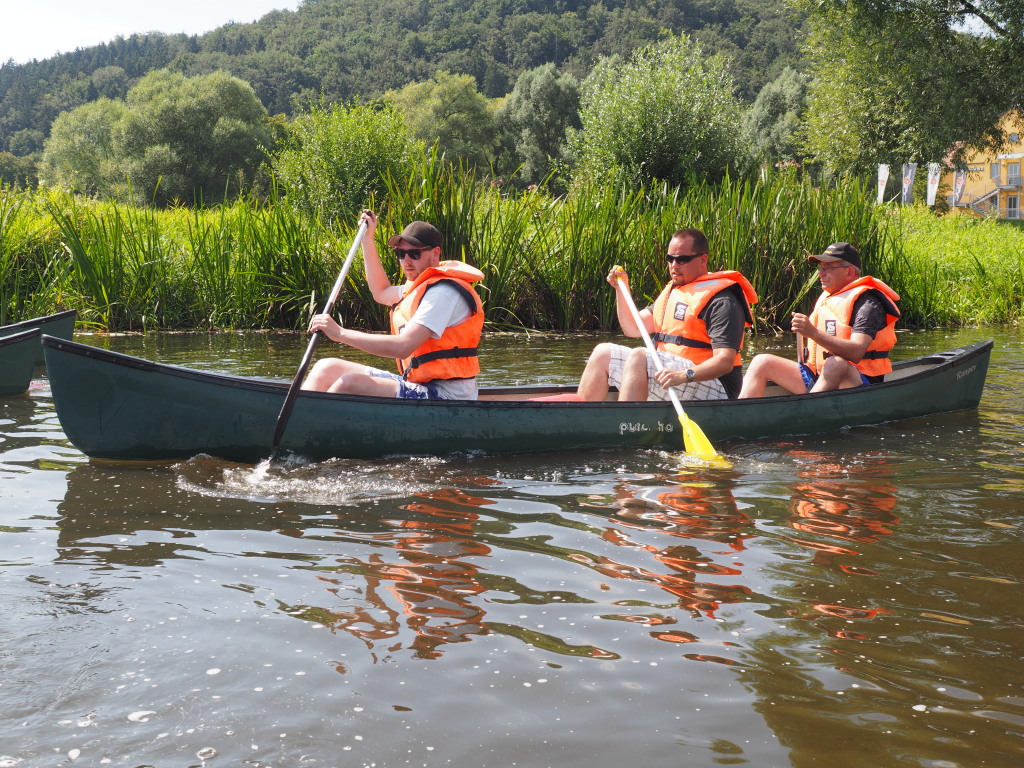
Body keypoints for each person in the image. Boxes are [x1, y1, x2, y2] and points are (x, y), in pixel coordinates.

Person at [302, 210, 485, 400]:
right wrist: (367, 239)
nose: (406, 261)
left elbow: (403, 346)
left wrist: (340, 334)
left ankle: (315, 417)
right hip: (419, 384)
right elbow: (381, 291)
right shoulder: (416, 288)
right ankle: (301, 415)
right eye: (401, 253)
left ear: (435, 253)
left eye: (414, 253)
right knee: (326, 368)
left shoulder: (443, 294)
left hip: (446, 395)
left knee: (349, 384)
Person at [577, 228, 758, 402]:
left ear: (703, 260)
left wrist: (684, 375)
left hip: (717, 386)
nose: (674, 265)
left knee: (640, 356)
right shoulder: (674, 292)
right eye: (670, 259)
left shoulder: (723, 301)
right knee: (603, 353)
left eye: (682, 260)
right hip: (671, 374)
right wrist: (621, 287)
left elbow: (724, 362)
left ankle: (627, 422)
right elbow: (632, 327)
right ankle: (579, 417)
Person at [738, 242, 900, 399]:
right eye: (821, 268)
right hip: (819, 377)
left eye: (828, 268)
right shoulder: (829, 297)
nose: (821, 273)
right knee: (762, 362)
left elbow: (856, 352)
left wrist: (813, 333)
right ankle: (739, 412)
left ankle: (808, 410)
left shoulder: (868, 303)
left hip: (859, 383)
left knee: (836, 363)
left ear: (849, 272)